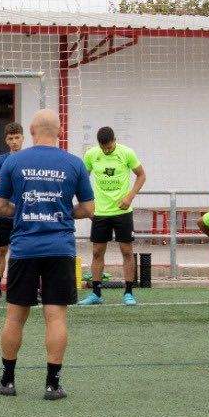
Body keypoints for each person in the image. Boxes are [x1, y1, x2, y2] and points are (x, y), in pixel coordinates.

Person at [0, 110, 96, 400]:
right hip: (60, 248)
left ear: (32, 130)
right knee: (56, 316)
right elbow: (89, 209)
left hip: (25, 248)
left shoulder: (13, 161)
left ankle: (8, 380)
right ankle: (53, 383)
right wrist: (62, 213)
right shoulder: (74, 163)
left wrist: (24, 212)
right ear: (60, 130)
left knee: (15, 316)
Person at [78, 125, 147, 306]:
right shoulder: (92, 154)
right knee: (97, 252)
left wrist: (129, 197)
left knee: (127, 251)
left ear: (114, 140)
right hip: (100, 212)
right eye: (103, 148)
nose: (106, 150)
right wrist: (88, 205)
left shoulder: (127, 153)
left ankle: (129, 292)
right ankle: (96, 293)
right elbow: (83, 180)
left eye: (109, 147)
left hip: (122, 212)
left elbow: (141, 175)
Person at [0, 121, 25, 303]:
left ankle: (31, 287)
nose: (14, 141)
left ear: (23, 138)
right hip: (5, 212)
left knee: (27, 251)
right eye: (11, 138)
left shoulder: (29, 158)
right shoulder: (0, 160)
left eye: (17, 137)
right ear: (6, 140)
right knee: (1, 250)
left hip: (25, 213)